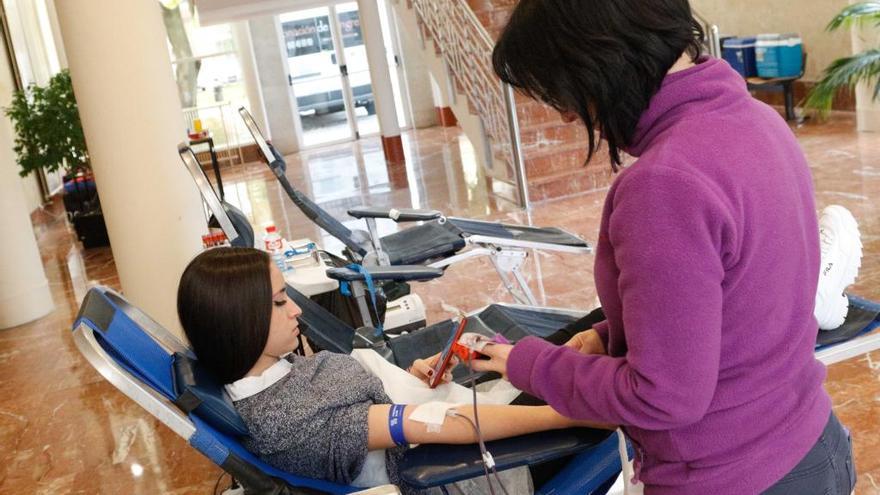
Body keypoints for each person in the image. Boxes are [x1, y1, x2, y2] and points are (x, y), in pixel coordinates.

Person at [472, 1, 857, 494]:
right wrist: (617, 335)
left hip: (731, 476)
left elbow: (663, 397)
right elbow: (740, 300)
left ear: (602, 64)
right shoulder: (757, 120)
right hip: (813, 447)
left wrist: (526, 363)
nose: (570, 116)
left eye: (566, 94)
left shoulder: (665, 185)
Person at [176, 247, 610, 494]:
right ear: (240, 321)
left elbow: (389, 414)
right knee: (616, 367)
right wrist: (572, 412)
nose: (294, 310)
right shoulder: (290, 421)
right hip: (482, 468)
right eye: (277, 302)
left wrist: (410, 377)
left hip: (454, 427)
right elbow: (446, 425)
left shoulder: (272, 370)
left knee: (596, 327)